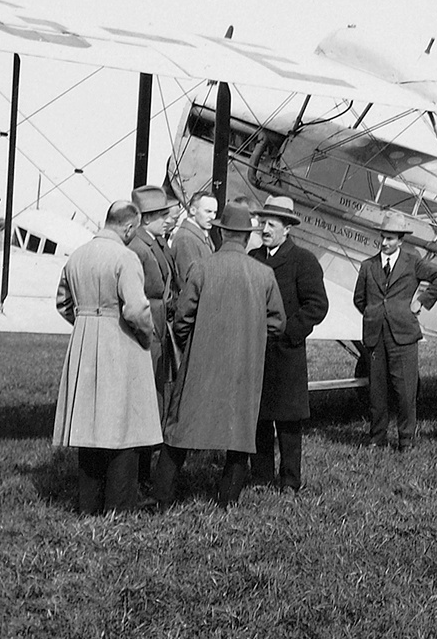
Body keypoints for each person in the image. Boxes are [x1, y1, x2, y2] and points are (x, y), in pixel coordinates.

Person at [156, 204, 285, 508]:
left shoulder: (202, 268)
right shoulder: (263, 274)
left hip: (201, 363)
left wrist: (195, 344)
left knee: (180, 428)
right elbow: (277, 323)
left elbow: (182, 320)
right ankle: (227, 500)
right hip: (244, 365)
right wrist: (252, 339)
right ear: (245, 237)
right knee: (239, 430)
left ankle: (162, 497)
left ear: (222, 231)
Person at [52, 200, 162, 515]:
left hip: (85, 342)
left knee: (89, 424)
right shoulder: (125, 257)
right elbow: (136, 309)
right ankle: (120, 505)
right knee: (124, 424)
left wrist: (86, 324)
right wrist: (144, 336)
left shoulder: (77, 256)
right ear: (129, 227)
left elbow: (63, 302)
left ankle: (89, 503)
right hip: (120, 342)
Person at [352, 209, 437, 452]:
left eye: (390, 238)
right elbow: (359, 299)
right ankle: (377, 437)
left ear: (401, 240)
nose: (385, 243)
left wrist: (422, 300)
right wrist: (374, 314)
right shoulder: (368, 266)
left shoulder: (412, 263)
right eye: (383, 237)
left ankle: (406, 439)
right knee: (377, 391)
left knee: (405, 390)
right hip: (376, 336)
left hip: (404, 335)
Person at [248, 195, 328, 492]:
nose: (264, 228)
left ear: (287, 228)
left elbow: (317, 306)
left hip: (287, 355)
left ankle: (290, 480)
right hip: (256, 354)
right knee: (259, 419)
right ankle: (260, 477)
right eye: (262, 222)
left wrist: (286, 331)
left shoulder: (303, 261)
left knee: (288, 422)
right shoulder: (253, 258)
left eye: (271, 224)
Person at [127, 184, 177, 491]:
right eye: (160, 215)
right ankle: (139, 475)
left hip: (159, 332)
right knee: (146, 404)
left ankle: (144, 472)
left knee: (155, 400)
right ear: (146, 218)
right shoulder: (138, 248)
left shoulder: (154, 243)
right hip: (149, 334)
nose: (167, 219)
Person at [169, 190, 218, 303]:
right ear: (192, 210)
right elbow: (190, 282)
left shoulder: (200, 235)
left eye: (214, 213)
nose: (212, 217)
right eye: (208, 211)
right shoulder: (186, 239)